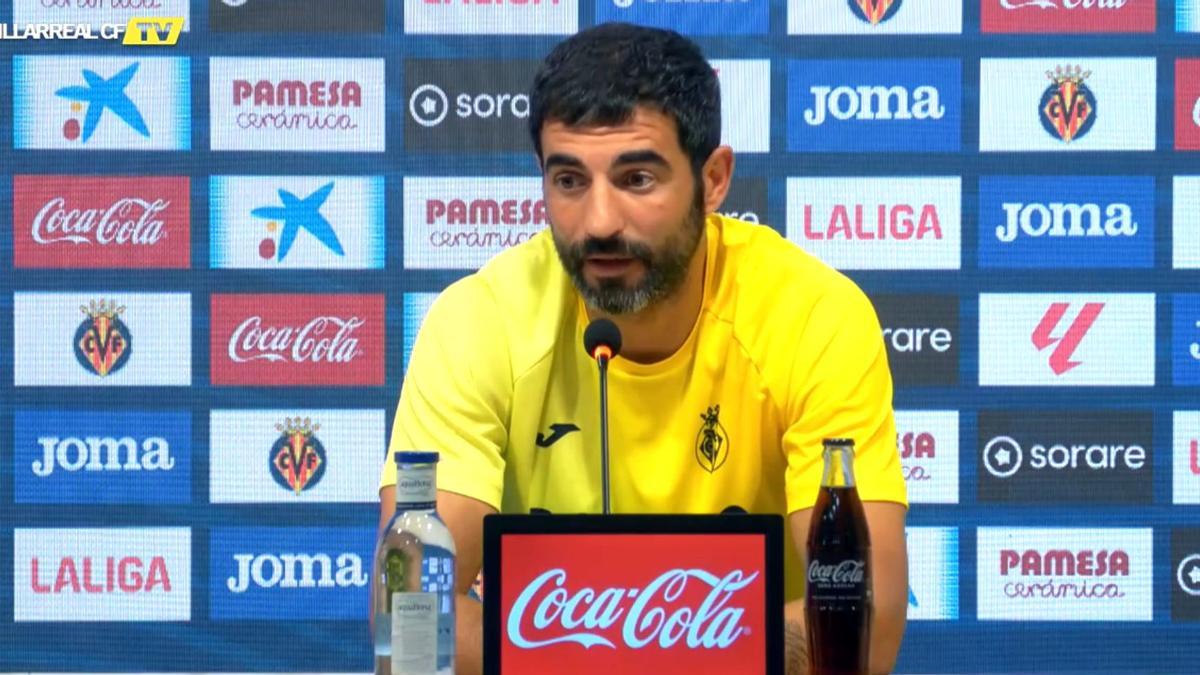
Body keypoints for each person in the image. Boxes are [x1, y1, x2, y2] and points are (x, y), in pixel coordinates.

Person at [379, 21, 908, 675]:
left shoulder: (814, 317)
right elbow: (408, 615)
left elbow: (866, 621)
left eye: (636, 179)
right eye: (569, 181)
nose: (599, 221)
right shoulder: (479, 320)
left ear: (713, 181)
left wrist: (607, 655)